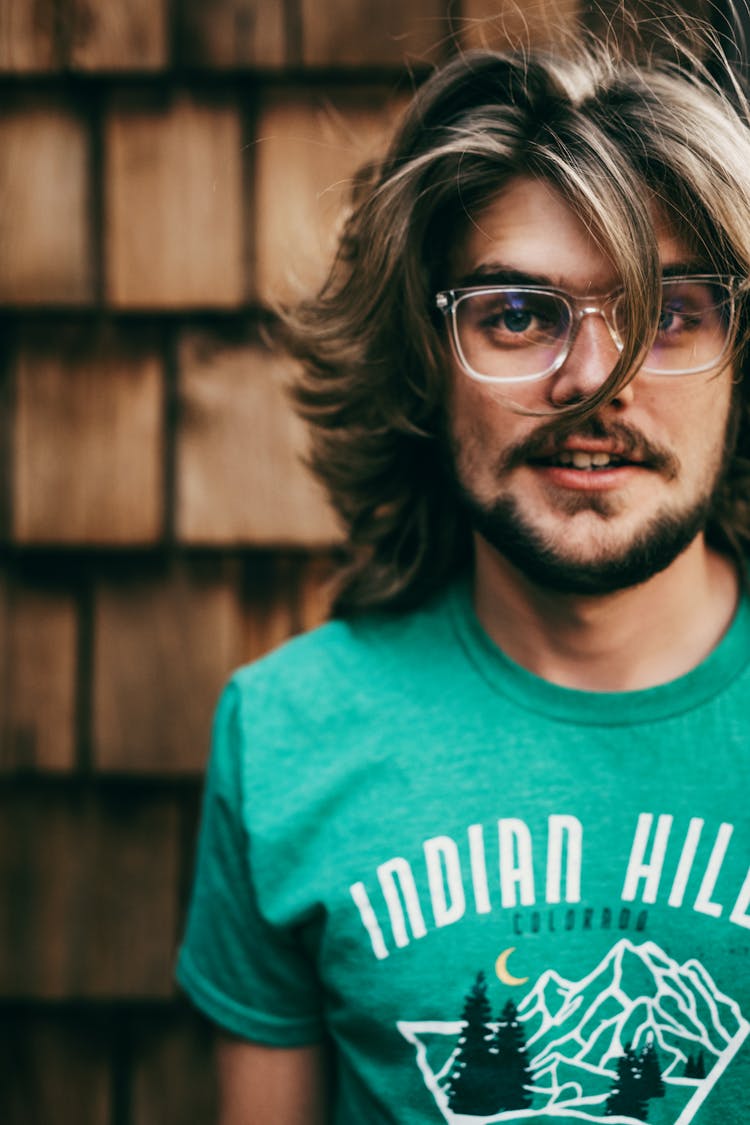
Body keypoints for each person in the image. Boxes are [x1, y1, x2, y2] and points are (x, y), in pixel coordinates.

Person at [176, 29, 750, 1125]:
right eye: (518, 314)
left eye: (672, 313)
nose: (595, 380)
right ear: (424, 365)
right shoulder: (287, 734)